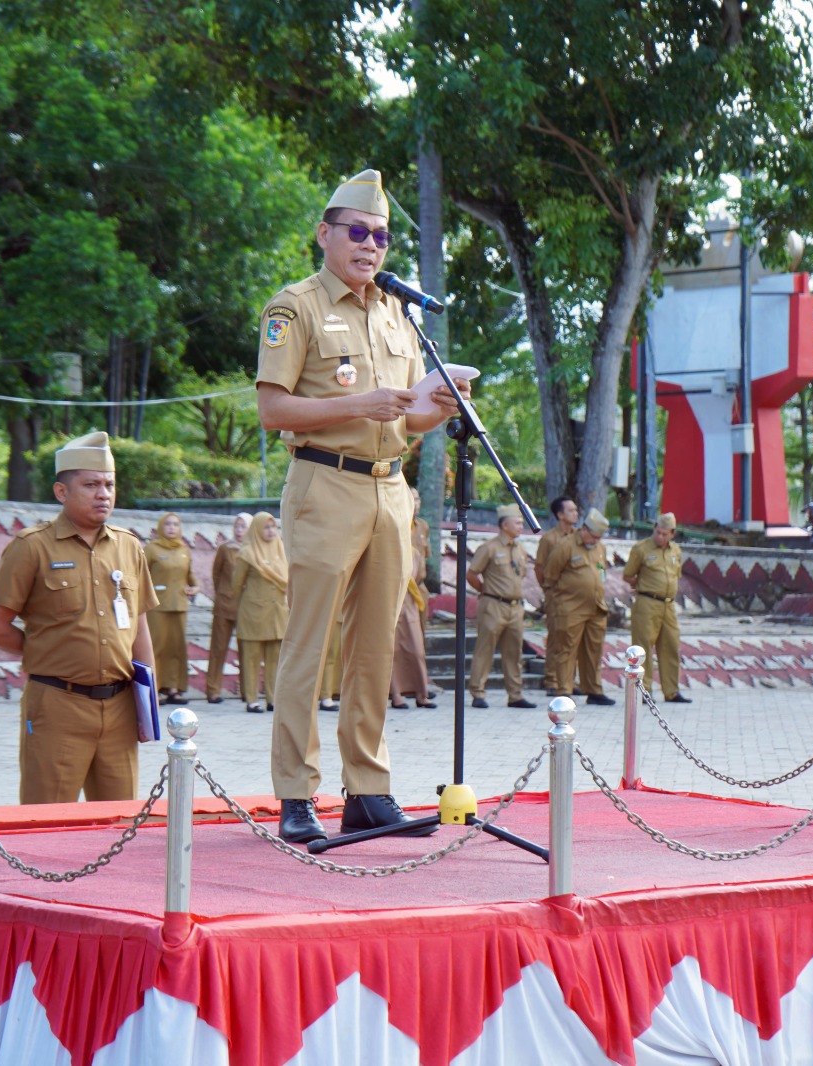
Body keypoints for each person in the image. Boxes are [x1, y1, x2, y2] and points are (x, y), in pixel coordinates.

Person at [255, 167, 471, 844]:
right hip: (325, 485)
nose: (369, 245)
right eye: (356, 231)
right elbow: (271, 409)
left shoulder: (397, 316)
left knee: (375, 648)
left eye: (379, 236)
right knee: (310, 645)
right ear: (324, 235)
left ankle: (368, 790)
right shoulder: (297, 307)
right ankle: (296, 792)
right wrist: (358, 404)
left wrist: (438, 403)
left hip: (389, 488)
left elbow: (404, 422)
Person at [0, 432, 157, 804]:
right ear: (61, 492)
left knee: (119, 820)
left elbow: (138, 625)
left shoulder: (128, 546)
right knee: (48, 820)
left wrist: (148, 707)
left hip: (121, 706)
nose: (103, 494)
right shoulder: (32, 547)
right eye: (91, 485)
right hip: (58, 703)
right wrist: (48, 649)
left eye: (109, 484)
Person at [467, 504, 535, 709]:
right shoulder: (489, 548)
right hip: (493, 604)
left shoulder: (520, 549)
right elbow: (471, 574)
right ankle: (478, 692)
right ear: (505, 525)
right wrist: (484, 590)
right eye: (517, 523)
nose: (521, 526)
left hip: (515, 607)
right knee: (484, 650)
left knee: (514, 652)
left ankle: (515, 695)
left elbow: (520, 575)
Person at [544, 507, 614, 705]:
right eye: (594, 536)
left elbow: (601, 572)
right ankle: (564, 690)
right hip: (570, 607)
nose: (596, 541)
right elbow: (550, 575)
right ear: (584, 529)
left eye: (599, 537)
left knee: (594, 650)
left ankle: (593, 690)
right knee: (566, 649)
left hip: (596, 608)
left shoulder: (600, 548)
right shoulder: (565, 546)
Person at [623, 512, 689, 704]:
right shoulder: (641, 549)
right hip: (647, 602)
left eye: (665, 534)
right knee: (643, 648)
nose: (660, 536)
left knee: (671, 647)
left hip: (668, 605)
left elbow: (677, 575)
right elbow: (628, 575)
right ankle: (644, 691)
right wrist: (645, 587)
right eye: (658, 532)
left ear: (672, 534)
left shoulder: (675, 551)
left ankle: (671, 691)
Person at [233, 512, 288, 713]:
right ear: (256, 529)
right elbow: (236, 584)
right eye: (266, 527)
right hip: (253, 613)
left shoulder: (281, 549)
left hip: (277, 613)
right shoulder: (247, 553)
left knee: (275, 658)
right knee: (251, 658)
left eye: (273, 527)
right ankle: (252, 699)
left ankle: (273, 698)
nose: (271, 531)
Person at [390, 488, 437, 709]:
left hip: (415, 593)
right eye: (411, 499)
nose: (415, 503)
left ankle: (421, 691)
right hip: (390, 595)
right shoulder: (388, 524)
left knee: (417, 647)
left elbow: (423, 564)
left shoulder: (422, 528)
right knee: (393, 648)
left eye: (417, 498)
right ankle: (395, 693)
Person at [145, 512, 198, 705]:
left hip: (179, 605)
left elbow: (190, 576)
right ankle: (156, 689)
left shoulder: (184, 549)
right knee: (156, 647)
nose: (172, 528)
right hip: (157, 606)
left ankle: (173, 689)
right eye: (167, 524)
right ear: (160, 527)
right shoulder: (151, 549)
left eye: (175, 524)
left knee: (176, 649)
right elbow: (141, 575)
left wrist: (195, 587)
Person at [206, 512, 251, 704]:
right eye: (237, 526)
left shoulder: (254, 549)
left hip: (246, 607)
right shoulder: (225, 548)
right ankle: (213, 690)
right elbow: (216, 575)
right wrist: (223, 593)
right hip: (224, 605)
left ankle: (247, 692)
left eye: (243, 526)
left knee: (247, 651)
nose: (239, 530)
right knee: (218, 649)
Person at [534, 496, 579, 692]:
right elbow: (539, 567)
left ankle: (569, 681)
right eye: (571, 510)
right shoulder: (549, 539)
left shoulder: (579, 536)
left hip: (577, 598)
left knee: (574, 639)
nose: (575, 514)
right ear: (560, 515)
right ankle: (552, 680)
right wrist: (548, 589)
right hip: (557, 596)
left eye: (576, 510)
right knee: (556, 638)